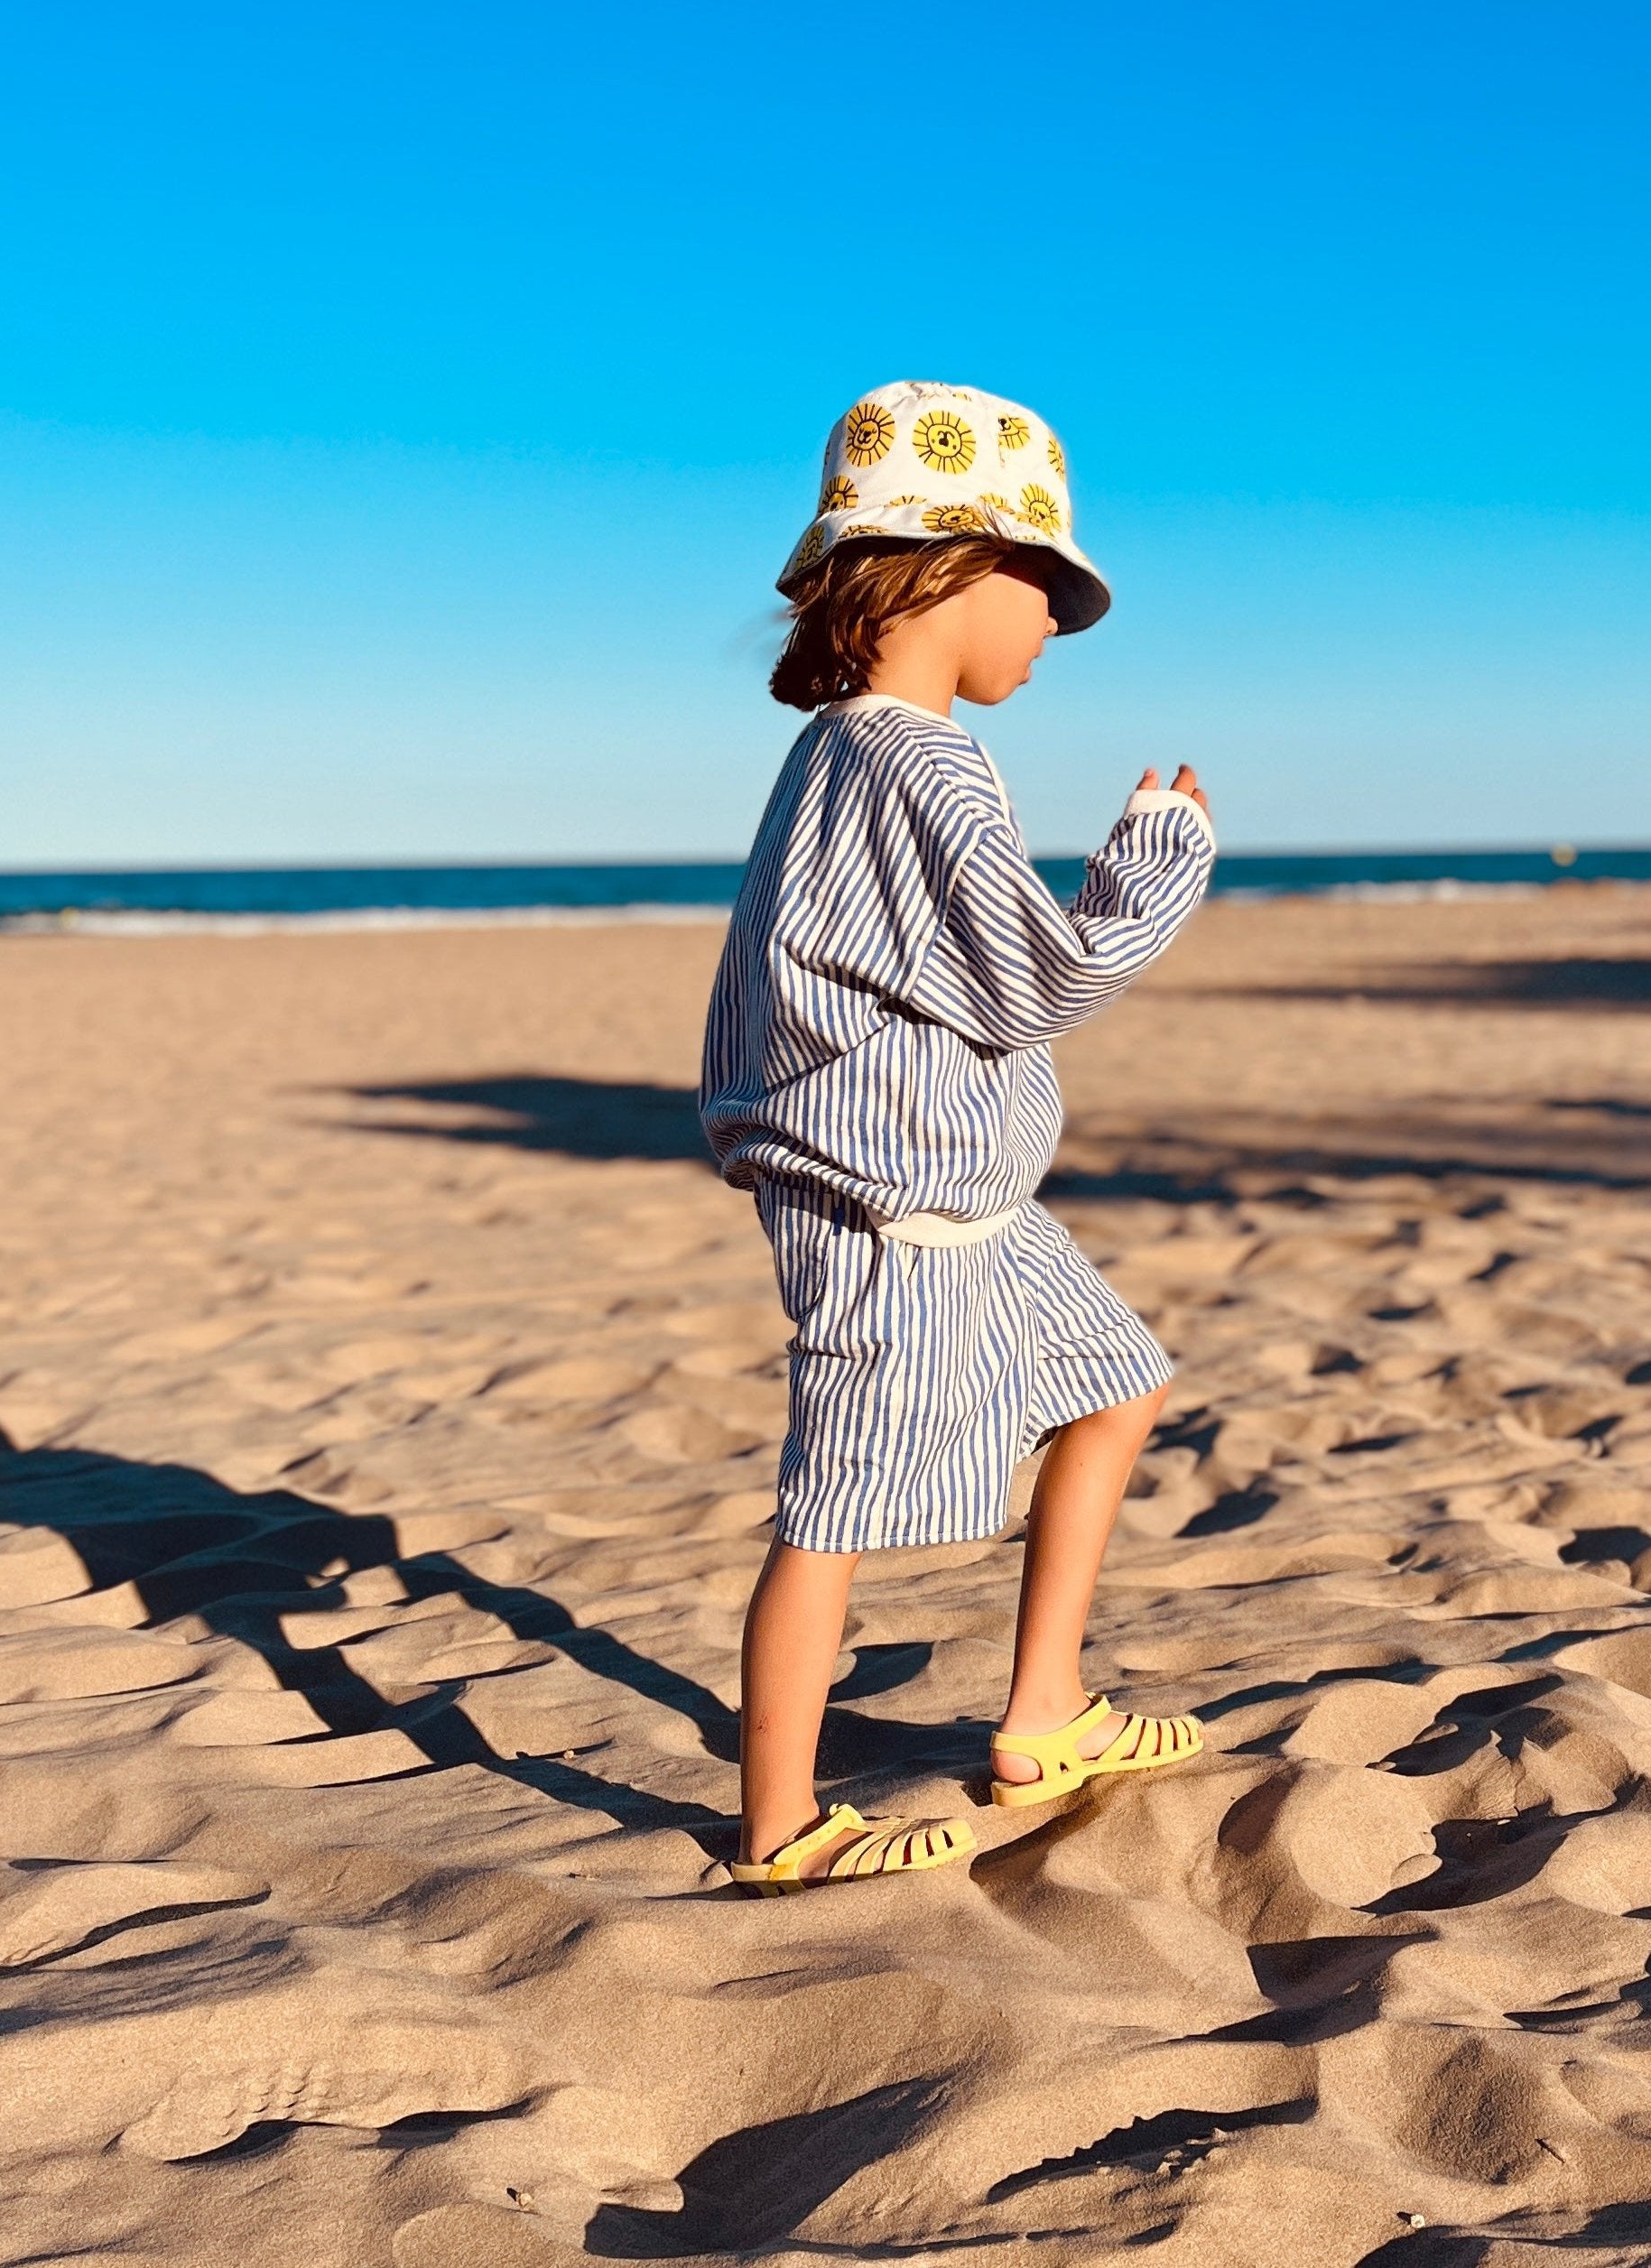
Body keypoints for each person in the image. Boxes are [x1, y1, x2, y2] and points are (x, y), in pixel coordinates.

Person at [700, 381, 1219, 1893]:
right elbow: (1040, 974)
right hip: (890, 1211)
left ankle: (1043, 1710)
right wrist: (1157, 862)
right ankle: (780, 1825)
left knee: (1116, 1384)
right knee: (835, 1503)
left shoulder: (845, 759)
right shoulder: (910, 761)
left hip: (966, 1196)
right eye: (1042, 583)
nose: (1055, 620)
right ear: (947, 571)